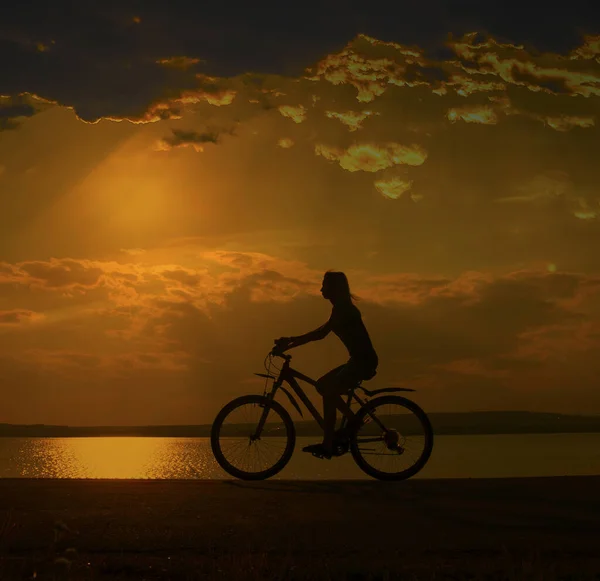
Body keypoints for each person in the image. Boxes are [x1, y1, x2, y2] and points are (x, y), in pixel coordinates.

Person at [276, 271, 378, 459]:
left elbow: (320, 333)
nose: (321, 288)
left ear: (335, 288)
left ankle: (352, 422)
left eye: (325, 285)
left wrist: (290, 341)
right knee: (323, 385)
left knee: (327, 388)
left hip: (363, 362)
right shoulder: (339, 308)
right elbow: (321, 331)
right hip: (357, 360)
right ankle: (329, 441)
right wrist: (290, 342)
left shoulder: (344, 309)